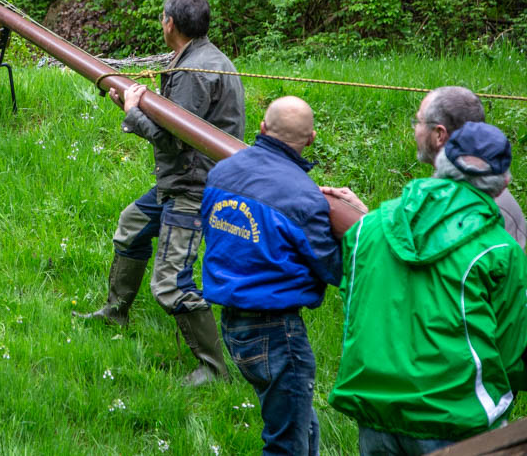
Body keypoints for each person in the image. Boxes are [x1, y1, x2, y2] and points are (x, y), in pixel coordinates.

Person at [74, 0, 245, 387]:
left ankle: (214, 369)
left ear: (170, 22)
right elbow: (176, 128)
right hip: (182, 178)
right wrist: (129, 106)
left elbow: (174, 141)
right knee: (131, 226)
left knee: (169, 282)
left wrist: (133, 114)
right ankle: (116, 312)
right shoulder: (204, 56)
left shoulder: (192, 72)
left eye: (162, 17)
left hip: (193, 185)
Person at [328, 122, 527, 454]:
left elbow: (354, 307)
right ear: (502, 184)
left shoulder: (369, 228)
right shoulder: (500, 251)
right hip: (457, 419)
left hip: (374, 407)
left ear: (440, 162)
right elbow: (511, 349)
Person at [200, 96, 341, 456]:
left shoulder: (220, 173)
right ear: (310, 139)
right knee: (286, 443)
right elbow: (334, 269)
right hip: (276, 334)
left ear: (262, 128)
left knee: (300, 423)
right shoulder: (304, 197)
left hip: (232, 326)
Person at [323, 86, 525, 248]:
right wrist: (365, 215)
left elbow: (419, 262)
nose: (414, 128)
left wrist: (356, 222)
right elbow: (415, 245)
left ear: (439, 135)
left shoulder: (484, 206)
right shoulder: (455, 189)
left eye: (418, 121)